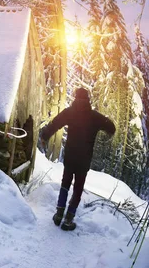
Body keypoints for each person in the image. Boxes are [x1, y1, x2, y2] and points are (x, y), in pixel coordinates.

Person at [40, 88, 115, 231]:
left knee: (65, 182)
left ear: (75, 98)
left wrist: (45, 136)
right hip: (84, 159)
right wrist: (107, 129)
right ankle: (68, 219)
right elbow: (111, 127)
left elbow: (55, 123)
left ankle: (58, 214)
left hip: (70, 156)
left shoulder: (70, 112)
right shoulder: (94, 117)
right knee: (78, 188)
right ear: (88, 100)